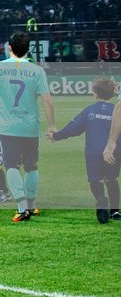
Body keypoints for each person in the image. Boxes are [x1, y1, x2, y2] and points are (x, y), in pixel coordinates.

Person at [0, 32, 55, 223]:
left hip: (8, 128)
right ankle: (31, 205)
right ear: (28, 49)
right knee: (31, 166)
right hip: (30, 126)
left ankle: (22, 208)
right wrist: (52, 125)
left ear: (9, 48)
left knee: (11, 165)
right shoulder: (37, 70)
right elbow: (47, 100)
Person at [53, 77, 118, 222]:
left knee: (96, 180)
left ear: (95, 94)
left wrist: (56, 136)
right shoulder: (116, 111)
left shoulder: (90, 111)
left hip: (93, 152)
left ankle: (101, 201)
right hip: (114, 152)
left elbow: (73, 129)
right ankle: (115, 211)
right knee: (112, 179)